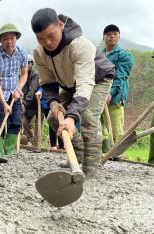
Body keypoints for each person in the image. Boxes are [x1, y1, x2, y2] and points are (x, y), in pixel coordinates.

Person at [31, 8, 115, 178]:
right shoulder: (39, 53)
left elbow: (85, 84)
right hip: (70, 85)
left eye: (51, 36)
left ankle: (90, 171)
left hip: (97, 79)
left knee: (89, 119)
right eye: (41, 39)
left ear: (60, 25)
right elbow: (47, 83)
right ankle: (77, 155)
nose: (47, 42)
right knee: (53, 118)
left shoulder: (80, 45)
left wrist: (71, 118)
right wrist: (54, 102)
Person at [0, 23, 28, 157]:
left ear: (16, 38)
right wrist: (4, 103)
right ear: (1, 40)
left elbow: (24, 74)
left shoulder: (22, 53)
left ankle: (9, 151)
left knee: (16, 121)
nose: (9, 42)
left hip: (14, 93)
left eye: (12, 38)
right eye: (5, 39)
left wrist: (18, 89)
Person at [100, 24, 134, 153]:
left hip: (115, 96)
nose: (112, 36)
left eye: (115, 34)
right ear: (104, 37)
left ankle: (118, 155)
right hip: (99, 94)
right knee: (100, 126)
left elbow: (121, 77)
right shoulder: (101, 54)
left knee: (116, 128)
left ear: (119, 37)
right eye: (109, 34)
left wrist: (111, 93)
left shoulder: (123, 55)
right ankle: (105, 153)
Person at [22, 54, 42, 148]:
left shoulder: (35, 74)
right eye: (25, 63)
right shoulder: (22, 74)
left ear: (31, 64)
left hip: (36, 102)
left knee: (38, 124)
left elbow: (32, 89)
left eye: (28, 63)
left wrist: (25, 103)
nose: (26, 65)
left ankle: (36, 144)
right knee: (24, 123)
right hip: (27, 102)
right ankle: (30, 139)